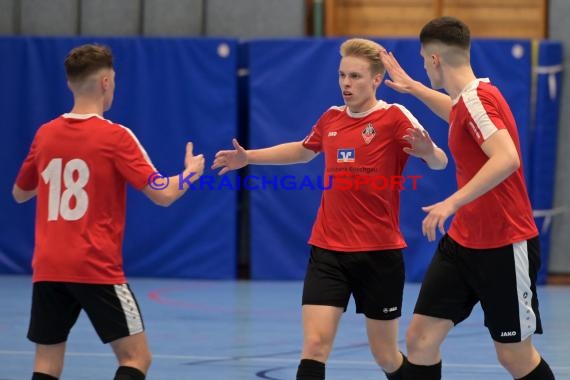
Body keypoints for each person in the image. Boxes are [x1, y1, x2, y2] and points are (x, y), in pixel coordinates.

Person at [212, 38, 448, 380]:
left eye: (355, 76)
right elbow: (302, 150)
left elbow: (440, 162)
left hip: (379, 254)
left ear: (376, 79)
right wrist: (248, 157)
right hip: (328, 251)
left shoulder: (394, 117)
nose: (347, 84)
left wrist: (427, 151)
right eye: (342, 76)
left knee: (385, 356)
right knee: (315, 347)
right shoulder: (331, 118)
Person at [12, 44, 205, 380]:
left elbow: (20, 193)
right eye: (113, 81)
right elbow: (165, 194)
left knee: (46, 365)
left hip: (48, 266)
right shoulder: (115, 137)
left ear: (70, 83)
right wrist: (189, 172)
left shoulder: (45, 134)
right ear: (105, 82)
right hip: (94, 266)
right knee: (135, 358)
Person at [379, 16, 556, 380]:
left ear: (435, 60)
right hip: (463, 243)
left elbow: (507, 158)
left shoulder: (479, 101)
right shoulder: (468, 99)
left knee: (514, 357)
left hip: (504, 243)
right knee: (421, 339)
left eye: (423, 61)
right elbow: (456, 113)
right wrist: (413, 88)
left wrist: (452, 202)